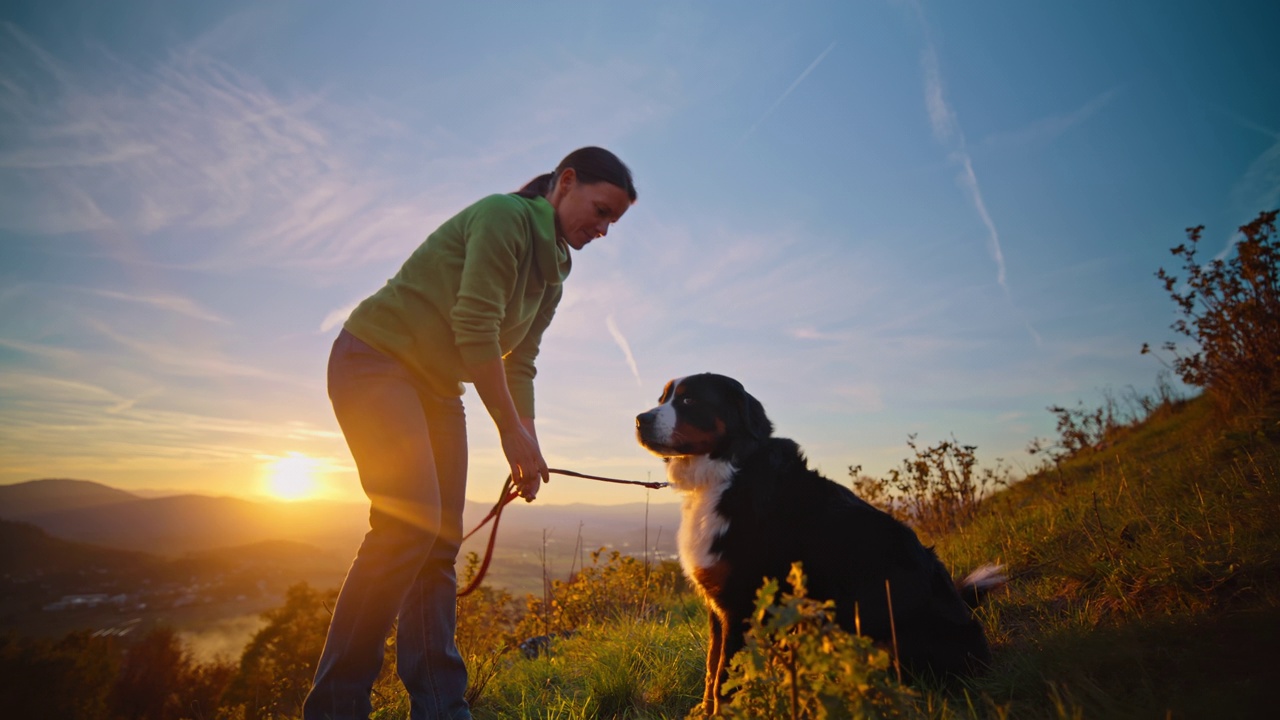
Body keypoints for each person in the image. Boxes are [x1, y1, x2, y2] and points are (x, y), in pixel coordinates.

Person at [303, 147, 636, 720]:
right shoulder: (505, 217)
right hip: (376, 359)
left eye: (613, 222)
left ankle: (442, 708)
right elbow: (475, 325)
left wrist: (528, 442)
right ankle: (335, 709)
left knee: (437, 546)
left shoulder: (556, 269)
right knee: (404, 529)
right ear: (566, 181)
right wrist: (510, 434)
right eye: (601, 211)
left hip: (437, 387)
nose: (603, 230)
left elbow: (519, 361)